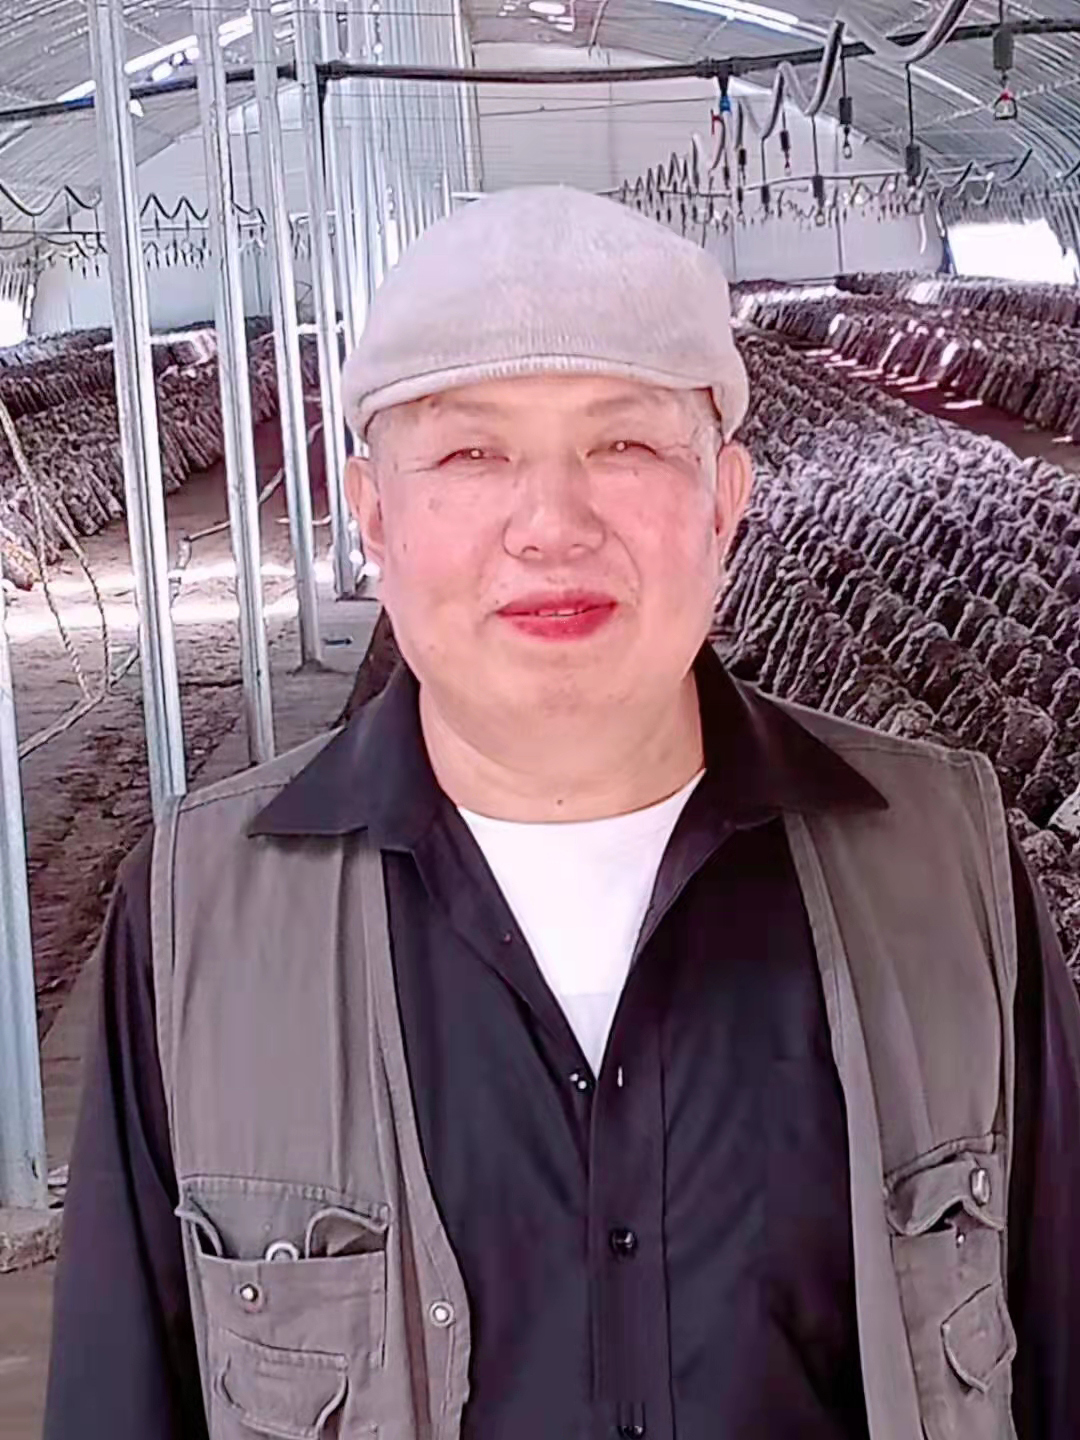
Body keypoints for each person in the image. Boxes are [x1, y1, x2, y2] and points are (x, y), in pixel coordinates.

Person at [45, 187, 1080, 1440]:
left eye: (626, 444)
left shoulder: (943, 870)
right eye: (470, 455)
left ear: (725, 499)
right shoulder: (199, 924)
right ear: (373, 516)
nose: (552, 525)